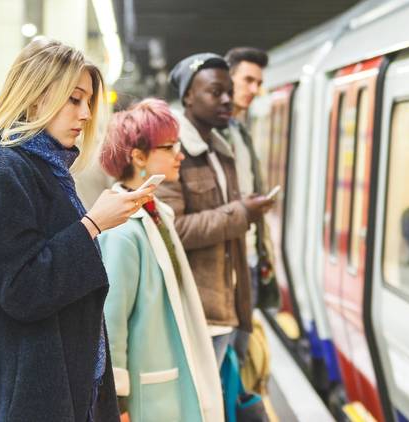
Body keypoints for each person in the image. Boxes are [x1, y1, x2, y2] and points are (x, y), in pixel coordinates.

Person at [0, 38, 155, 421]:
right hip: (24, 399)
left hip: (58, 388)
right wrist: (94, 224)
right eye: (73, 99)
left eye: (88, 102)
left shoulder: (47, 170)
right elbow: (22, 290)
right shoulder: (3, 174)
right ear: (34, 98)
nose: (84, 115)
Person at [98, 99, 224, 421]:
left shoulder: (157, 212)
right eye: (169, 147)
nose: (180, 155)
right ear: (138, 157)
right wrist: (119, 405)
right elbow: (111, 323)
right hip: (147, 397)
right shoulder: (122, 232)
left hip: (166, 382)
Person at [157, 53, 273, 367]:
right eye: (214, 92)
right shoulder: (172, 151)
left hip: (227, 304)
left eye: (228, 92)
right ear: (188, 97)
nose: (226, 100)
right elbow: (172, 230)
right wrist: (242, 214)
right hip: (196, 313)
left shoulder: (219, 151)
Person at [221, 47, 277, 363]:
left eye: (259, 83)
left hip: (250, 259)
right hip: (229, 265)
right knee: (229, 358)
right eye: (248, 80)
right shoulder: (212, 134)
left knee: (238, 357)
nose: (254, 89)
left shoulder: (240, 131)